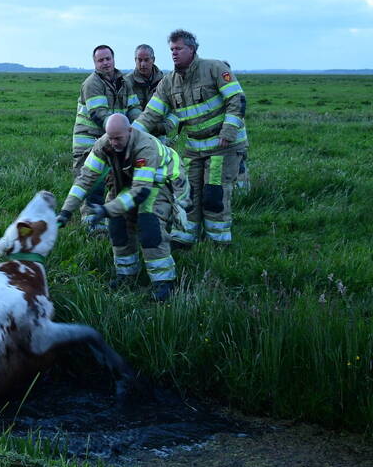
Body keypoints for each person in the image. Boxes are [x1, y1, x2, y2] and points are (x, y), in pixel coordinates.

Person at [133, 29, 247, 245]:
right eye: (172, 49)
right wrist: (128, 136)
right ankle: (185, 236)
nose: (174, 53)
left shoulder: (215, 68)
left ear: (192, 49)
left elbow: (237, 100)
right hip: (195, 148)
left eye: (179, 48)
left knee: (214, 195)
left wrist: (228, 132)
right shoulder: (168, 83)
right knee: (188, 192)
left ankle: (218, 242)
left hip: (222, 147)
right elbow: (150, 114)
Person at [58, 114, 182, 302]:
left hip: (158, 182)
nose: (114, 142)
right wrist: (66, 212)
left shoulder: (145, 146)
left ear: (130, 131)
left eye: (118, 138)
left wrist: (106, 210)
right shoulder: (103, 144)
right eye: (110, 137)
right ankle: (126, 276)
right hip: (127, 181)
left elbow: (141, 192)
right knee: (117, 226)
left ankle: (164, 281)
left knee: (149, 226)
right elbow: (85, 179)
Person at [70, 45, 141, 227]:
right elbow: (99, 114)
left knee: (115, 180)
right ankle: (92, 225)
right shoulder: (91, 83)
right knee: (93, 183)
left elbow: (134, 108)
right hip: (90, 141)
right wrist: (123, 132)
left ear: (113, 59)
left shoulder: (124, 82)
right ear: (95, 63)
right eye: (100, 60)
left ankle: (112, 220)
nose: (105, 63)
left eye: (108, 58)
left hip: (112, 139)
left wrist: (138, 129)